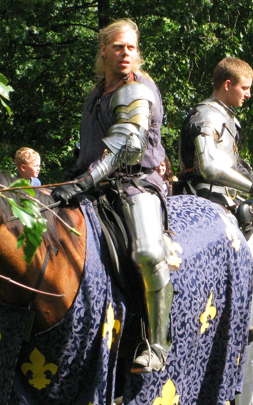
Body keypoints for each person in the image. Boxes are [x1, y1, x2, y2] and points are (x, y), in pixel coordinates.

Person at [50, 19, 172, 374]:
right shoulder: (97, 92)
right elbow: (92, 147)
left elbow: (126, 148)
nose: (125, 54)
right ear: (104, 49)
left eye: (131, 47)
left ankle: (159, 344)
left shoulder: (135, 89)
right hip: (94, 183)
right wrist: (76, 178)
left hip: (136, 185)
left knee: (147, 253)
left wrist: (84, 182)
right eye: (118, 47)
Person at [175, 57, 253, 230]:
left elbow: (233, 166)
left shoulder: (227, 118)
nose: (248, 94)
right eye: (244, 88)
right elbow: (209, 168)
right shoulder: (208, 115)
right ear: (227, 85)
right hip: (202, 200)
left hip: (225, 199)